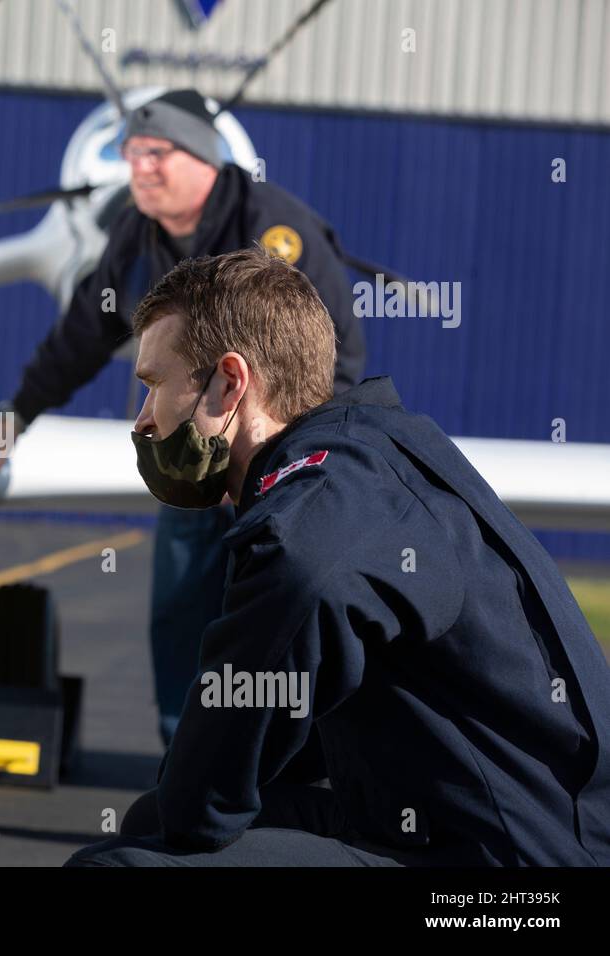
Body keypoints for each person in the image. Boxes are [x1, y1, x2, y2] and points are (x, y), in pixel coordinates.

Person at [67, 248, 610, 866]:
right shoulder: (371, 456)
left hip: (505, 875)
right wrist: (186, 804)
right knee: (152, 817)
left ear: (228, 382)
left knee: (116, 866)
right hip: (478, 828)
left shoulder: (313, 507)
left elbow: (305, 578)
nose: (141, 421)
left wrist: (197, 807)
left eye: (153, 386)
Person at [0, 89, 365, 746]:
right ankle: (185, 754)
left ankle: (293, 765)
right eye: (131, 155)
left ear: (200, 157)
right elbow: (82, 334)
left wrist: (286, 464)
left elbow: (335, 355)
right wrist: (12, 417)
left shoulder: (276, 228)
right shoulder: (136, 240)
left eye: (154, 154)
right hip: (197, 463)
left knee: (288, 613)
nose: (138, 168)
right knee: (179, 610)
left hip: (286, 471)